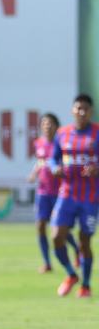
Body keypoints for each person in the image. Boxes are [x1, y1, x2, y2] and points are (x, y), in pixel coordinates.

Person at [50, 94, 99, 298]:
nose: (82, 112)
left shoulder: (96, 133)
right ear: (72, 110)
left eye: (85, 109)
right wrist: (55, 168)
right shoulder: (62, 134)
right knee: (56, 236)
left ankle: (85, 285)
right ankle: (71, 274)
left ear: (91, 111)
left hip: (90, 197)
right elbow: (53, 158)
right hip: (67, 194)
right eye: (78, 108)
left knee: (84, 241)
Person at [28, 113, 80, 273]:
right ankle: (47, 263)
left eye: (50, 123)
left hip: (60, 192)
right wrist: (34, 173)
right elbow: (40, 162)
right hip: (43, 191)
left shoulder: (62, 143)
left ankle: (77, 249)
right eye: (44, 123)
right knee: (40, 226)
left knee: (60, 229)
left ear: (57, 126)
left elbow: (69, 163)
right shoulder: (38, 143)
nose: (47, 126)